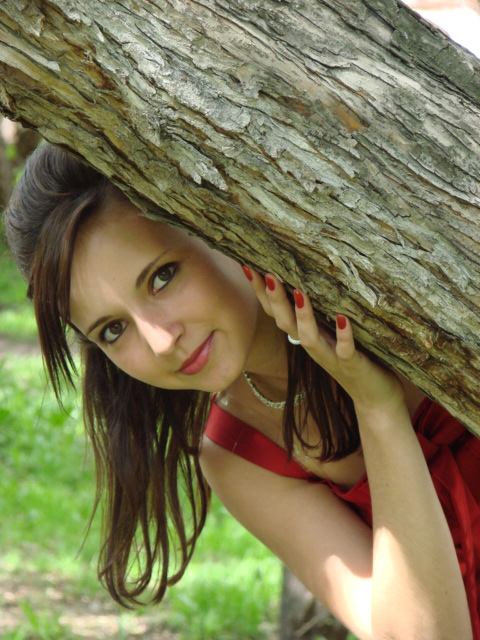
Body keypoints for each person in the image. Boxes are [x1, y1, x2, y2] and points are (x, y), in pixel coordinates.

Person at [3, 142, 479, 640]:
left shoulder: (389, 284)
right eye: (113, 330)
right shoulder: (239, 454)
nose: (161, 342)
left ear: (211, 224)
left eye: (162, 277)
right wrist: (378, 409)